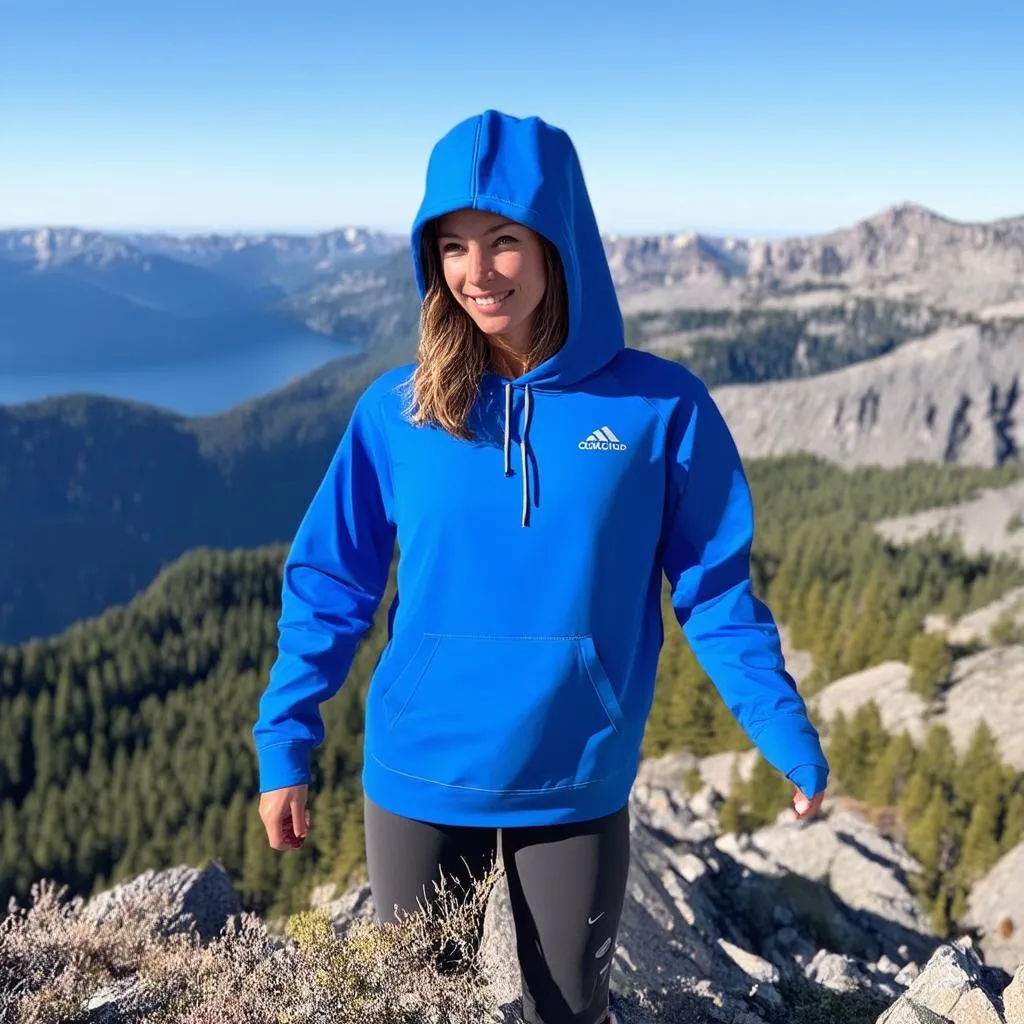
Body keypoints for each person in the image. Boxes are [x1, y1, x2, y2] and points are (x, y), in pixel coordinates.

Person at [252, 109, 829, 1024]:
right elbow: (332, 581)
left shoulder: (659, 407)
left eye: (504, 241)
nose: (476, 273)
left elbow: (715, 592)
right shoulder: (395, 411)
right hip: (421, 773)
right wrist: (286, 738)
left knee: (569, 1011)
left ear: (559, 242)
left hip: (575, 773)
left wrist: (782, 729)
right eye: (452, 246)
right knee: (414, 1009)